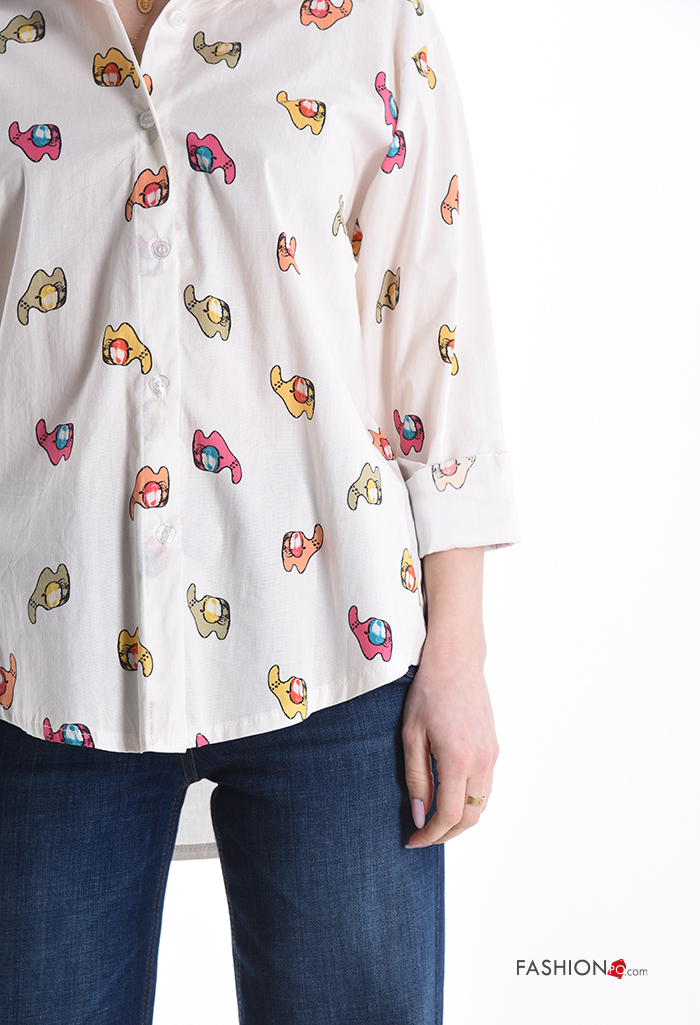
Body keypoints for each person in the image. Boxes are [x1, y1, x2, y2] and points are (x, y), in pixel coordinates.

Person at [0, 0, 519, 1022]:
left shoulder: (367, 19)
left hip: (335, 650)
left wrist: (458, 653)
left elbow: (434, 333)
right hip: (46, 662)